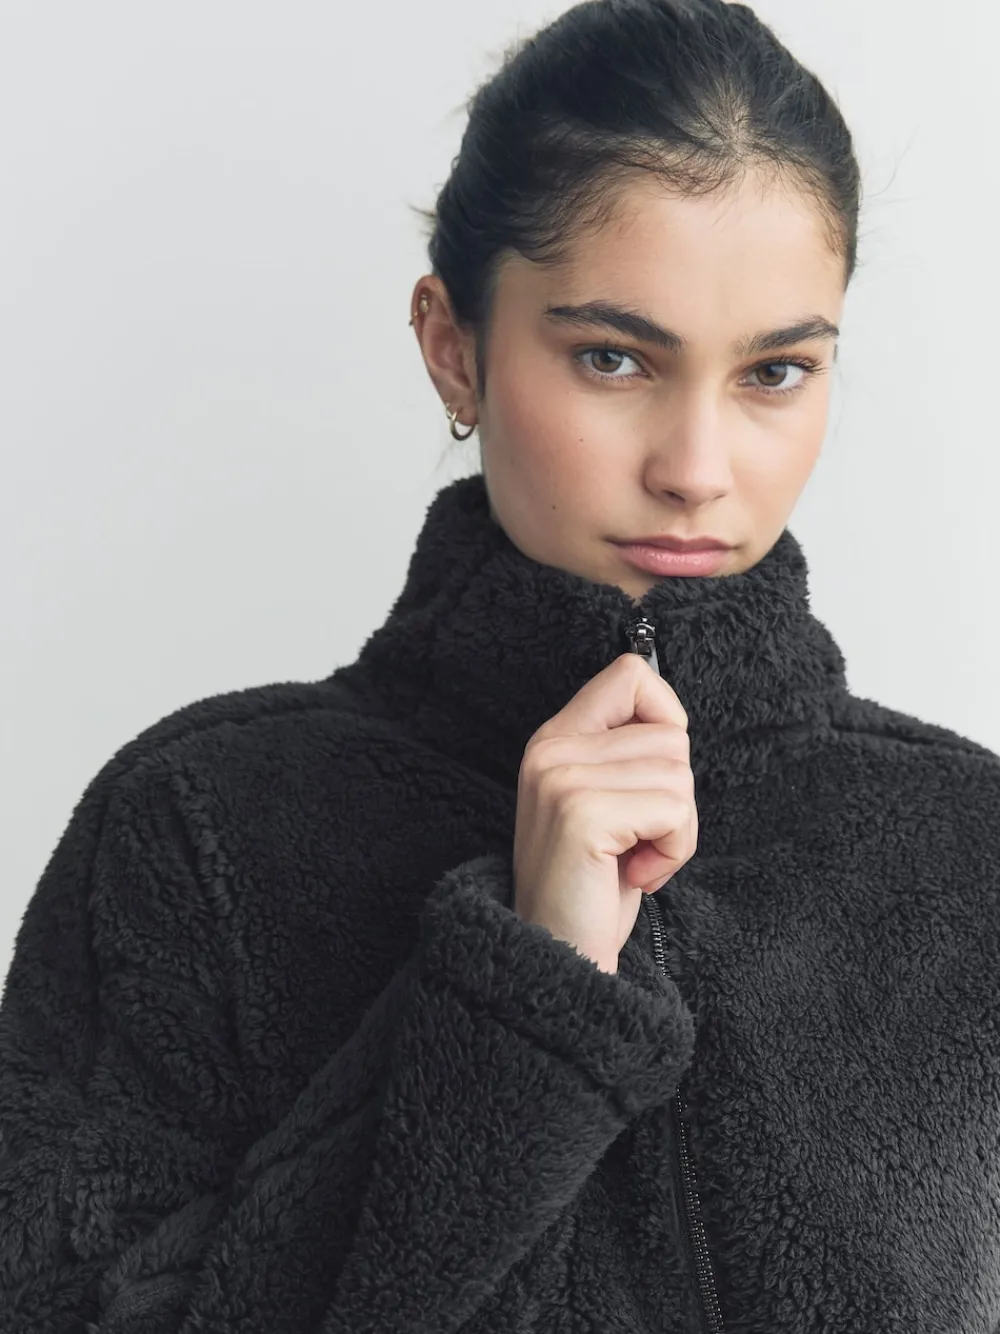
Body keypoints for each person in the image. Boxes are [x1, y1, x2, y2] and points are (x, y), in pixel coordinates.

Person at [2, 0, 999, 1330]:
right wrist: (529, 989)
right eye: (613, 358)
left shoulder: (966, 850)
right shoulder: (198, 828)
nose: (697, 468)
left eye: (774, 372)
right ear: (452, 345)